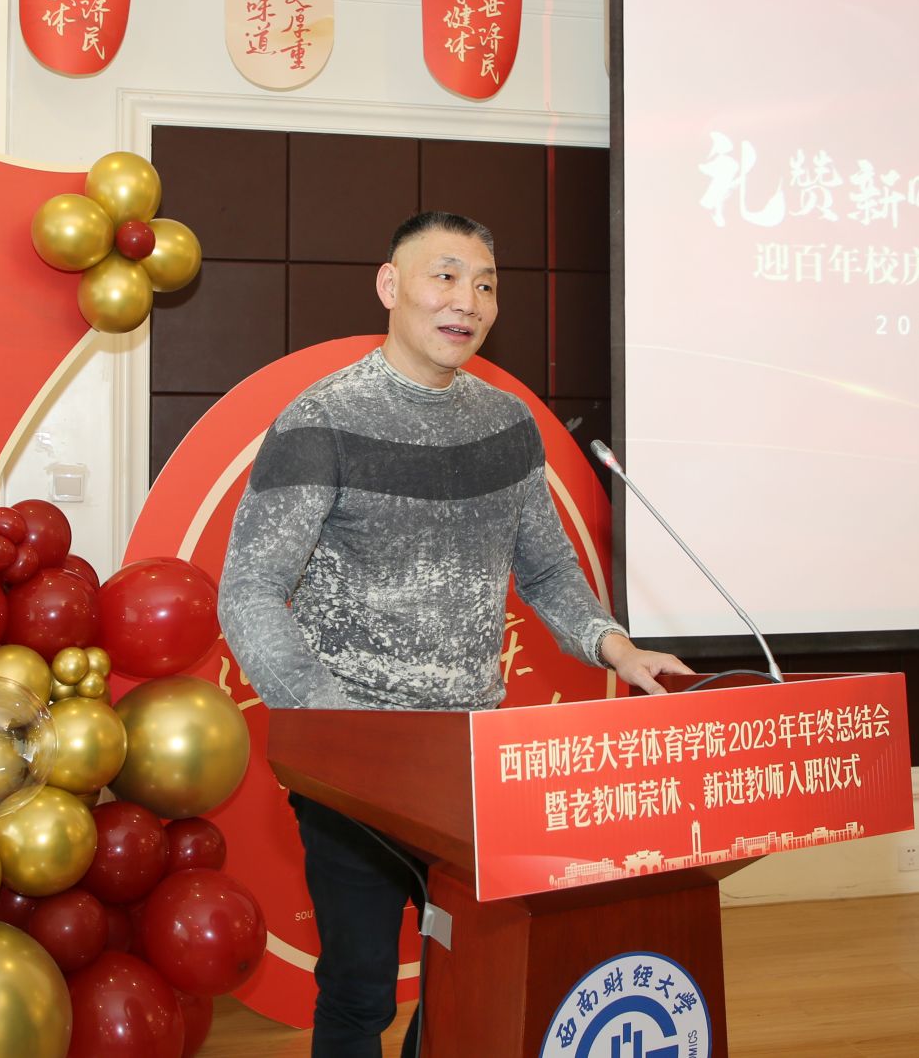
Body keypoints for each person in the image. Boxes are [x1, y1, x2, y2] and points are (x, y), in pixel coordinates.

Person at [217, 210, 693, 1057]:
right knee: (360, 991)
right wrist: (336, 728)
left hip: (471, 765)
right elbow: (249, 592)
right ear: (389, 285)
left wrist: (618, 648)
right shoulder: (322, 419)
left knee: (470, 978)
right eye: (444, 276)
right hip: (355, 770)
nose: (466, 301)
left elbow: (547, 572)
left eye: (485, 285)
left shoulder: (507, 425)